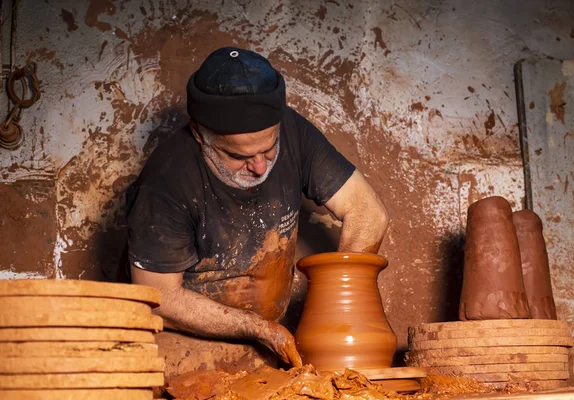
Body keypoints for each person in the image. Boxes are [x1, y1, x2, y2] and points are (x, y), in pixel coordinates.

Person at [126, 47, 389, 376]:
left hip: (270, 349)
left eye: (269, 148)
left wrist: (342, 302)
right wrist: (260, 329)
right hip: (185, 349)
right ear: (199, 134)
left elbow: (367, 212)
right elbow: (159, 296)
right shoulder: (167, 178)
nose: (260, 166)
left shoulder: (292, 131)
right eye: (238, 156)